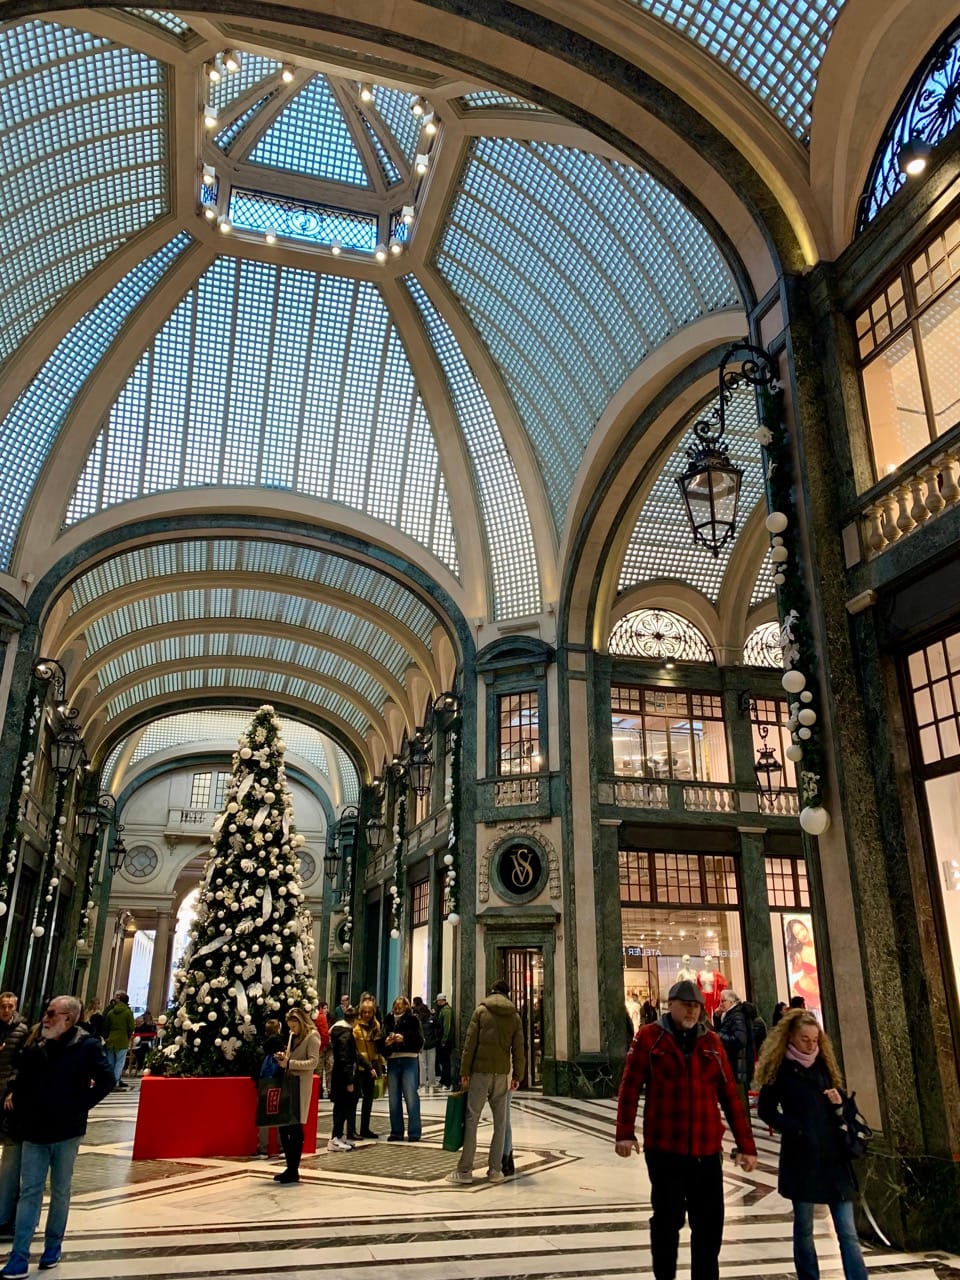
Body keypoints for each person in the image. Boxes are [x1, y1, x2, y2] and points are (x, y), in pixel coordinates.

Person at [614, 979, 757, 1280]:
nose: (693, 1011)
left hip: (706, 1150)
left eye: (697, 1007)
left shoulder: (712, 1042)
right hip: (665, 1148)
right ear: (671, 1005)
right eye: (687, 1005)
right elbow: (630, 1086)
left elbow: (730, 1095)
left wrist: (747, 1145)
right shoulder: (649, 1037)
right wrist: (624, 1132)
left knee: (709, 1225)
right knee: (668, 1220)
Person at [0, 995, 113, 1279]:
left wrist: (80, 1104)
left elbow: (107, 1079)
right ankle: (19, 1256)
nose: (46, 1018)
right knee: (30, 1192)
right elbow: (22, 1080)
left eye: (51, 1014)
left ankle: (53, 1247)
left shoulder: (87, 1046)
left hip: (66, 1131)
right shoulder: (37, 1045)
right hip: (35, 1131)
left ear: (69, 1019)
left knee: (60, 1191)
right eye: (46, 1012)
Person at [756, 1009, 868, 1280]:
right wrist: (795, 1127)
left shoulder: (824, 1065)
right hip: (802, 1158)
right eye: (805, 1039)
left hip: (834, 1157)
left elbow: (843, 1103)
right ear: (791, 1038)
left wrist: (838, 1101)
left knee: (847, 1231)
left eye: (815, 1039)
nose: (811, 1045)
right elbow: (766, 1110)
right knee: (804, 1228)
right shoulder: (780, 1070)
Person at [447, 978, 524, 1186]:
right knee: (500, 1123)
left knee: (472, 1119)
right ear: (508, 995)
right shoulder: (514, 1016)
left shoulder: (481, 1012)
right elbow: (519, 1050)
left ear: (492, 992)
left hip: (480, 1074)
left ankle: (465, 1171)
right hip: (501, 1075)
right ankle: (495, 1170)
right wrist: (517, 1076)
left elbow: (469, 1044)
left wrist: (464, 1072)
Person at [271, 1007, 319, 1184]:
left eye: (294, 1026)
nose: (292, 1030)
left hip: (301, 1086)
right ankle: (289, 1166)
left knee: (296, 1128)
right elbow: (290, 1057)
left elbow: (313, 1062)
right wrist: (284, 1057)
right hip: (288, 1083)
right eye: (290, 1027)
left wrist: (290, 1063)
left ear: (301, 1022)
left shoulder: (312, 1036)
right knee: (284, 1126)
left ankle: (294, 1169)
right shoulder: (292, 1036)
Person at [0, 995, 28, 1237]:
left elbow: (21, 1063)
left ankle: (5, 1215)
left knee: (11, 1156)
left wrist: (12, 1089)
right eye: (3, 1006)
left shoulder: (22, 1030)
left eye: (10, 1006)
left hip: (8, 1094)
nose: (7, 1010)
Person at [383, 996, 423, 1142]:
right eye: (396, 1007)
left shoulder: (412, 1020)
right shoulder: (388, 1020)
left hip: (409, 1059)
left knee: (410, 1095)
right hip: (393, 1059)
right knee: (393, 1098)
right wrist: (386, 1043)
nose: (397, 1010)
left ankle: (414, 1132)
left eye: (400, 1007)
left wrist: (404, 1038)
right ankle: (396, 1131)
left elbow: (419, 1041)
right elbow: (382, 1039)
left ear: (406, 1008)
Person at [352, 995, 385, 1140]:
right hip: (358, 1066)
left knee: (368, 1099)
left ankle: (365, 1128)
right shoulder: (356, 1026)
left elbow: (377, 1048)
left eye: (369, 1012)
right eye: (364, 1012)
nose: (367, 1015)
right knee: (353, 1099)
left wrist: (380, 1064)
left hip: (371, 1065)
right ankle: (351, 1129)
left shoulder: (376, 1025)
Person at [715, 989, 751, 1118]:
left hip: (737, 1065)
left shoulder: (736, 1016)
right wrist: (717, 1017)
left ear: (731, 1001)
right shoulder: (729, 1015)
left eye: (723, 1001)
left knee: (740, 1104)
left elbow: (740, 1040)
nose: (721, 1004)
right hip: (734, 1065)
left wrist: (719, 1036)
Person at [328, 1004, 357, 1152]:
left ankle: (339, 1135)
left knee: (342, 1107)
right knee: (341, 1108)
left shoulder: (339, 1031)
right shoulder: (345, 1034)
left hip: (339, 1075)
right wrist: (349, 1081)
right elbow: (345, 1058)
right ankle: (335, 1138)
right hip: (342, 1077)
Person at [255, 1018, 285, 1157]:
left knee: (264, 1115)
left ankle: (263, 1147)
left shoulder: (262, 1047)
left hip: (264, 1082)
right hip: (277, 1081)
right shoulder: (281, 1046)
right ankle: (281, 1146)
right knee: (279, 1114)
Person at [101, 992, 135, 1091]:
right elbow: (131, 1027)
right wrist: (128, 1036)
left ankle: (108, 1082)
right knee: (119, 1063)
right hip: (122, 1040)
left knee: (111, 1063)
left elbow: (106, 1027)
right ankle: (115, 1083)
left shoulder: (111, 1012)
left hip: (111, 1040)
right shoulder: (128, 1012)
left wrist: (107, 1037)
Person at [411, 996, 437, 1092]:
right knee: (431, 1064)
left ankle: (422, 1083)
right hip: (431, 1044)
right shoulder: (432, 1019)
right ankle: (432, 1083)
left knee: (422, 1065)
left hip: (422, 1044)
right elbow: (437, 1030)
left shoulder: (417, 1020)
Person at [434, 993, 454, 1089]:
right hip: (443, 1040)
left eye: (438, 1001)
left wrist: (444, 1039)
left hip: (445, 1041)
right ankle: (443, 1080)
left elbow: (447, 1026)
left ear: (441, 1001)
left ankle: (447, 1082)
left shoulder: (446, 1011)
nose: (437, 1003)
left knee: (445, 1062)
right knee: (443, 1061)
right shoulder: (443, 1010)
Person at [316, 1003, 334, 1099]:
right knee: (319, 1068)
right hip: (322, 1046)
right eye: (324, 1008)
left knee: (329, 1067)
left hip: (329, 1047)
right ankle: (319, 1089)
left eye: (327, 1008)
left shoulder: (330, 1018)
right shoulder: (319, 1018)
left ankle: (330, 1088)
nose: (326, 1010)